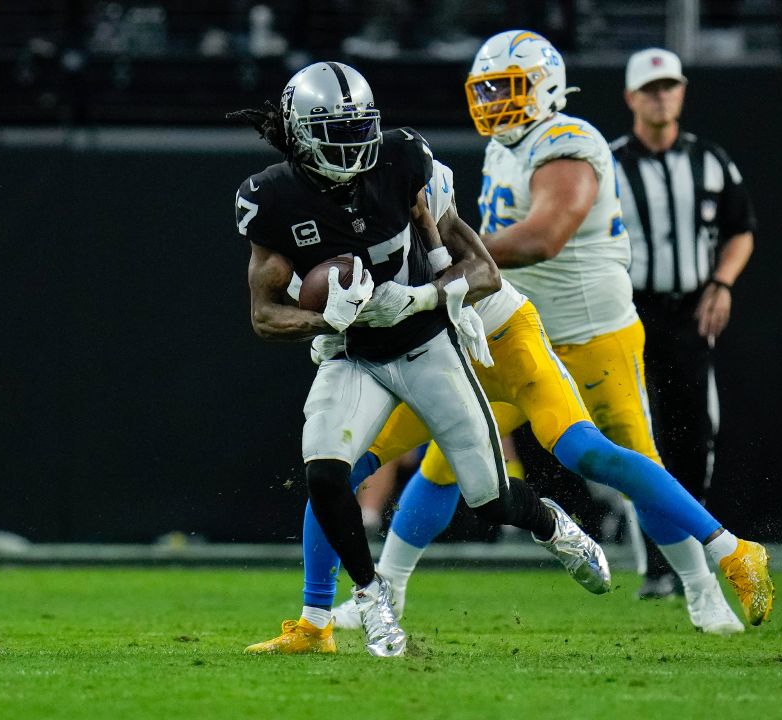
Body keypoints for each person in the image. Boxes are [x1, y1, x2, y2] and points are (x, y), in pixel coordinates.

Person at [326, 31, 774, 635]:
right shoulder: (504, 146)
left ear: (547, 86)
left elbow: (542, 238)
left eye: (506, 88)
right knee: (445, 458)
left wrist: (447, 270)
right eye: (484, 89)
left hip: (594, 336)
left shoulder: (569, 141)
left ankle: (702, 589)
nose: (492, 101)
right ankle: (390, 590)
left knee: (634, 461)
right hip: (520, 334)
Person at [231, 61, 612, 657]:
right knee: (325, 471)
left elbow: (483, 270)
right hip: (354, 355)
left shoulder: (405, 160)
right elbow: (265, 314)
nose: (355, 144)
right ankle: (370, 596)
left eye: (361, 128)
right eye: (338, 130)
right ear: (304, 133)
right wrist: (328, 320)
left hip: (427, 342)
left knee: (492, 499)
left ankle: (552, 525)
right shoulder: (273, 196)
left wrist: (421, 296)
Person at [610, 47, 757, 598]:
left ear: (683, 92)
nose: (660, 96)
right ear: (630, 98)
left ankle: (688, 552)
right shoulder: (607, 163)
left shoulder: (710, 160)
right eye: (650, 89)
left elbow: (743, 227)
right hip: (630, 311)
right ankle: (655, 562)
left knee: (695, 437)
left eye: (669, 86)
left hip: (691, 307)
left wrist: (721, 284)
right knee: (637, 436)